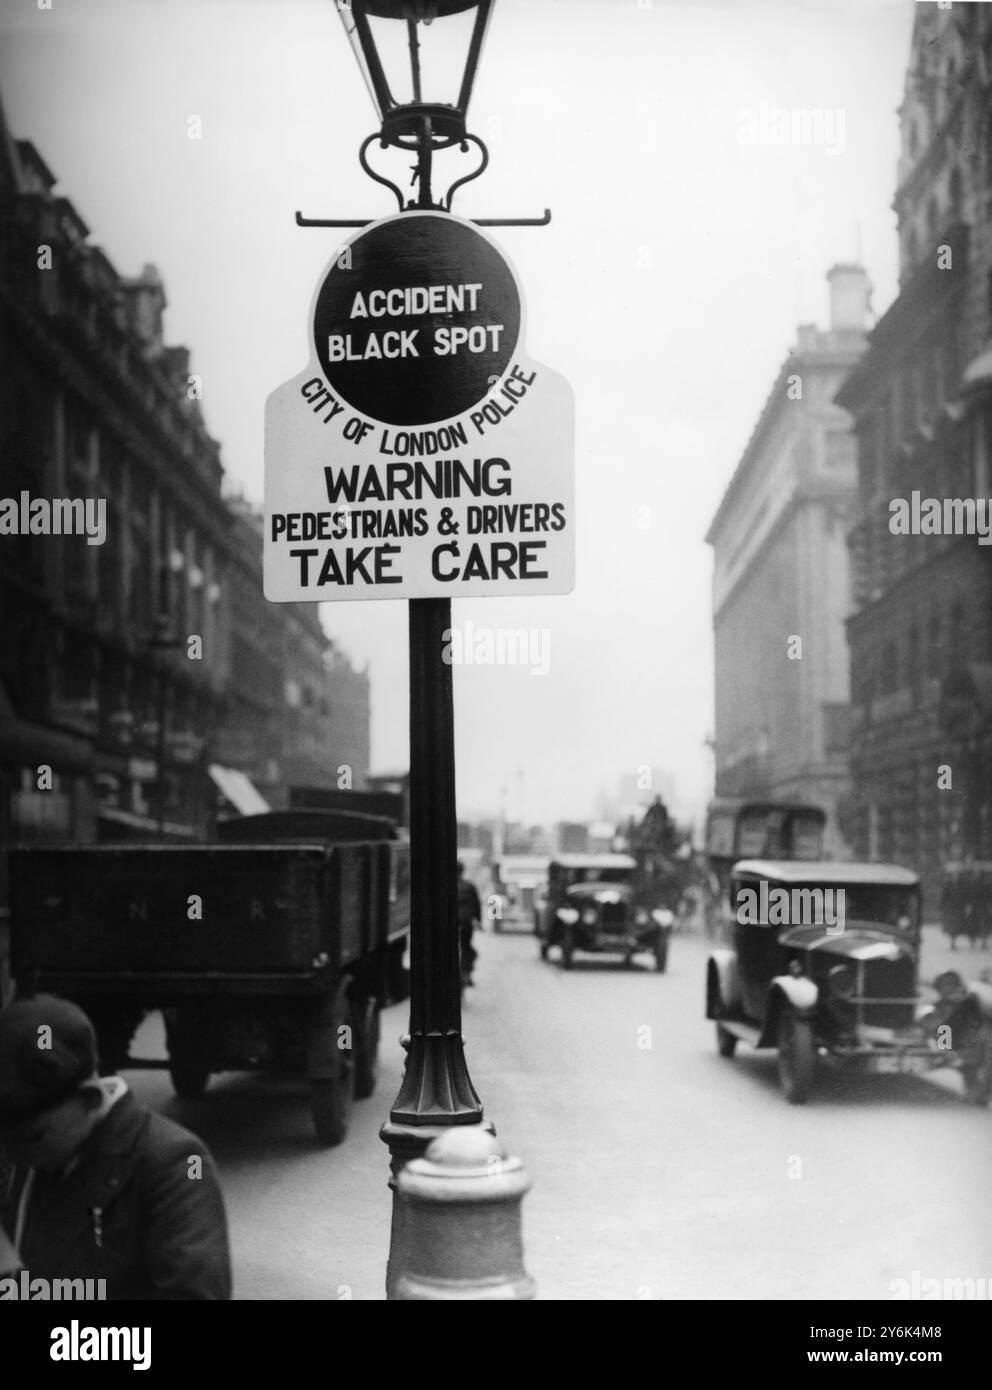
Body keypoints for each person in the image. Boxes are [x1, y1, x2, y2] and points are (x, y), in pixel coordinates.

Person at [0, 995, 231, 1300]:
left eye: (32, 1138)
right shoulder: (23, 1158)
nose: (14, 1154)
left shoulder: (181, 1163)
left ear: (90, 1099)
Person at [456, 861, 482, 986]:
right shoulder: (469, 886)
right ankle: (466, 973)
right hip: (466, 922)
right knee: (466, 947)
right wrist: (479, 921)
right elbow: (477, 905)